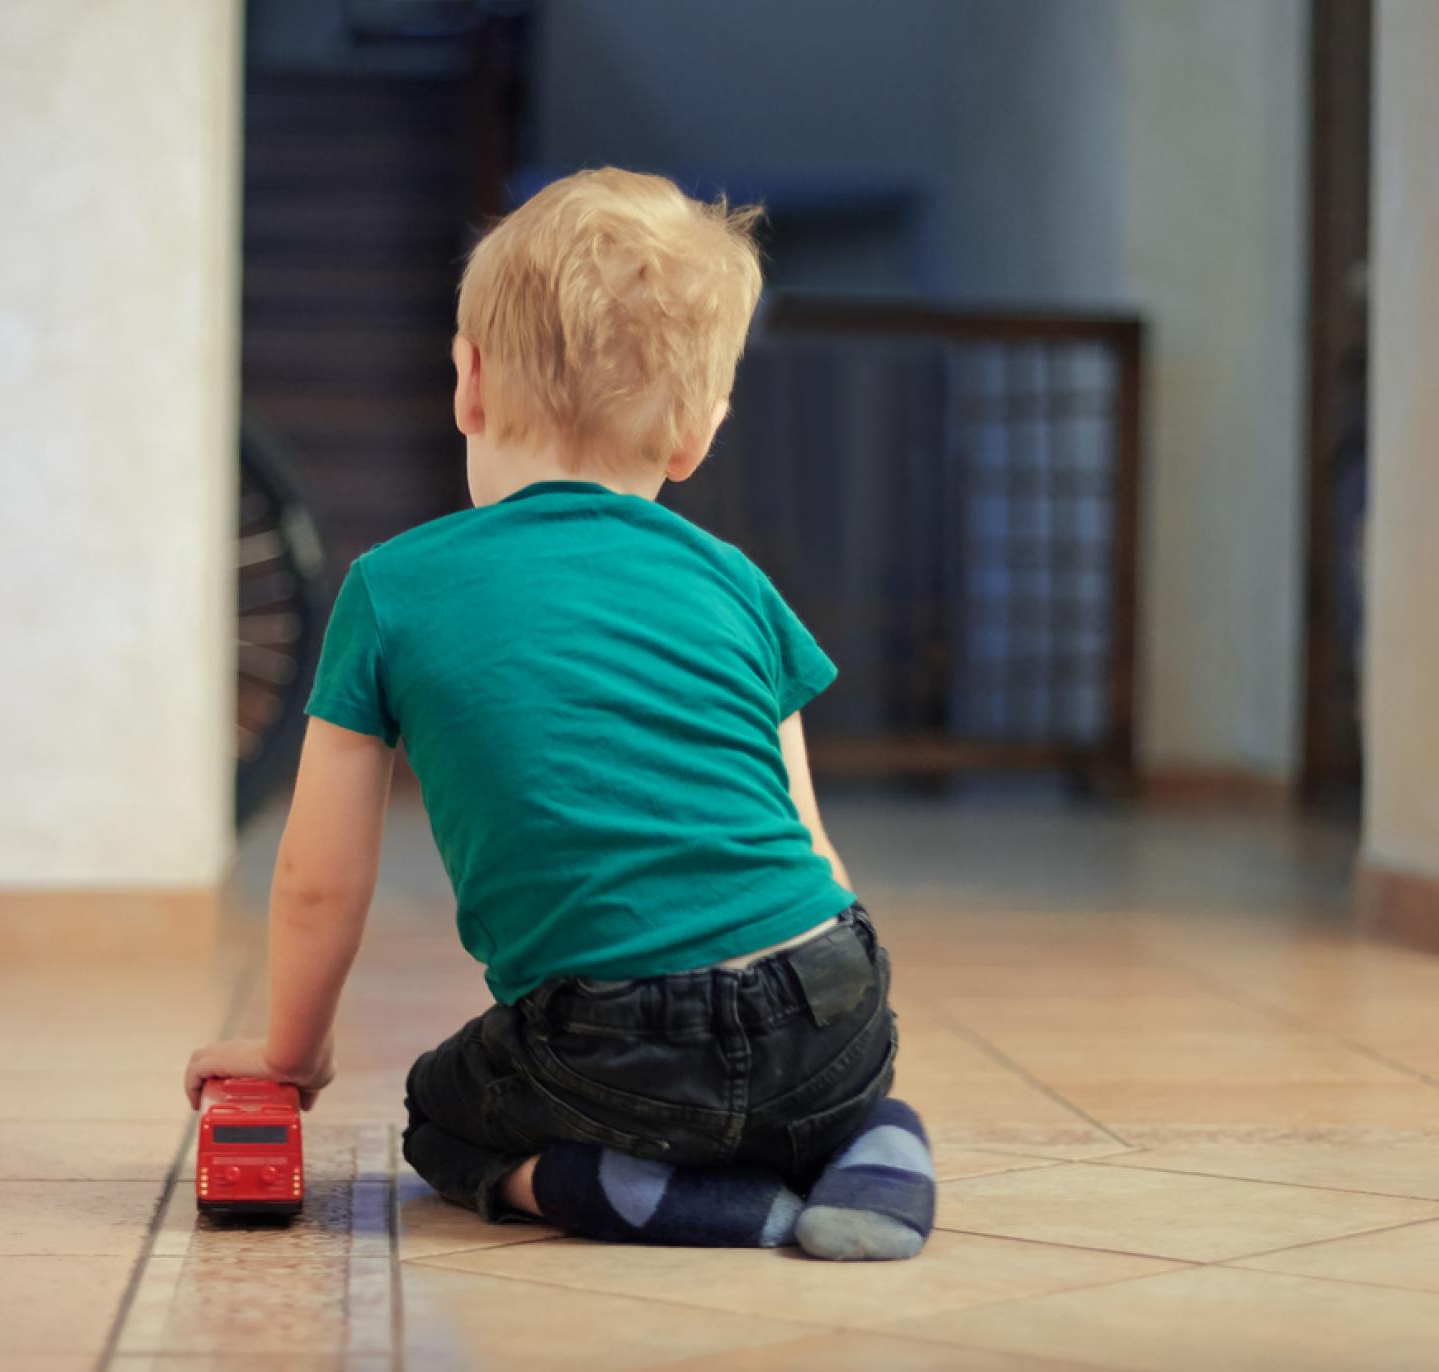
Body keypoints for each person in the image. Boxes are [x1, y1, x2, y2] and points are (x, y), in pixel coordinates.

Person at [184, 168, 934, 1259]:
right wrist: (814, 1027)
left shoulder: (392, 589)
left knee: (443, 1114)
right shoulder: (734, 584)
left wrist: (290, 1056)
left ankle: (631, 1189)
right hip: (829, 1005)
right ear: (696, 434)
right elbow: (805, 844)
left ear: (467, 384)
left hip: (609, 1045)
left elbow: (317, 879)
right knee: (828, 1092)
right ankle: (871, 1143)